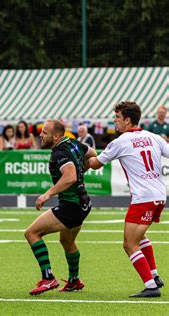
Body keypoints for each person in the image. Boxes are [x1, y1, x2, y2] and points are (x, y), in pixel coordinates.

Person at [88, 101, 167, 298]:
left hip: (143, 199)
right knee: (140, 237)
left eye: (117, 118)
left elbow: (96, 164)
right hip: (159, 196)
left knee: (129, 244)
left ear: (128, 120)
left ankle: (150, 286)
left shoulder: (120, 141)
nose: (115, 121)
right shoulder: (153, 136)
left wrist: (83, 154)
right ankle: (155, 276)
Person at [24, 119, 96, 296]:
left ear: (56, 136)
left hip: (72, 206)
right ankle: (74, 280)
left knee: (31, 233)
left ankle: (48, 278)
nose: (41, 135)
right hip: (83, 202)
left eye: (45, 133)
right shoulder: (73, 143)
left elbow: (70, 176)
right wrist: (81, 170)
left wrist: (46, 195)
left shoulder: (59, 152)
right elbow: (93, 154)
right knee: (67, 241)